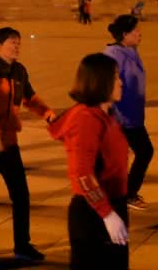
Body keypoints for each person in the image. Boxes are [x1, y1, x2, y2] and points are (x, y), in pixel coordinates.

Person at [0, 27, 56, 262]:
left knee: (21, 195)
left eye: (19, 43)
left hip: (7, 141)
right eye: (12, 43)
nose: (17, 46)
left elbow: (30, 98)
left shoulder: (19, 71)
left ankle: (22, 245)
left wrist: (48, 114)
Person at [48, 53, 129, 270]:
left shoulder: (105, 114)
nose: (120, 82)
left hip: (111, 204)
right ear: (99, 81)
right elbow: (81, 172)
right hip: (93, 214)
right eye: (115, 77)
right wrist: (107, 213)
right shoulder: (86, 119)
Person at [103, 15, 153, 211]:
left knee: (131, 155)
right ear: (125, 35)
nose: (139, 33)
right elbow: (107, 86)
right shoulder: (113, 55)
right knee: (144, 151)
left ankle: (123, 193)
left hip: (133, 115)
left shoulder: (130, 51)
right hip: (121, 116)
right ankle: (126, 194)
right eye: (135, 31)